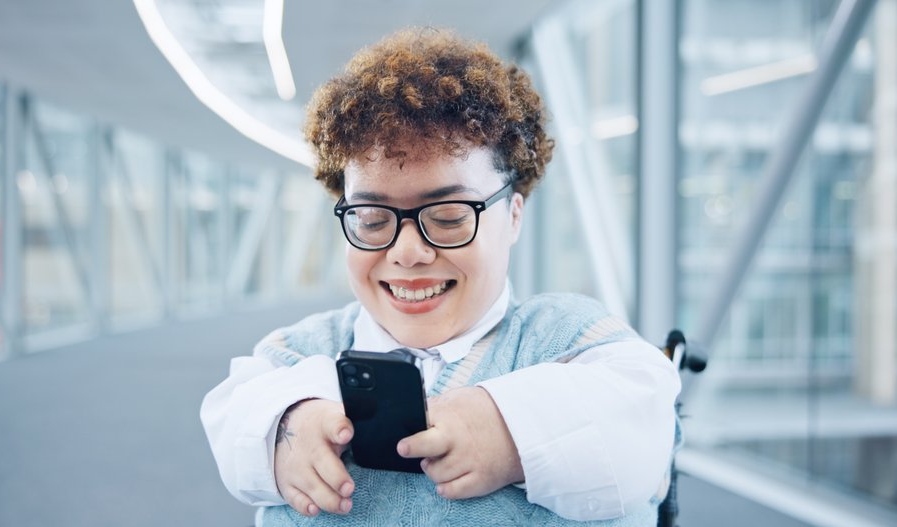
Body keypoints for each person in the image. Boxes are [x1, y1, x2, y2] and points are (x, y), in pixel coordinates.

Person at [201, 28, 680, 526]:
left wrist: (510, 428)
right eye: (371, 219)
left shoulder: (564, 336)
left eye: (449, 215)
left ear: (514, 215)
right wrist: (284, 425)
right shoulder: (302, 351)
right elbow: (233, 411)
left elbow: (644, 426)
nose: (407, 252)